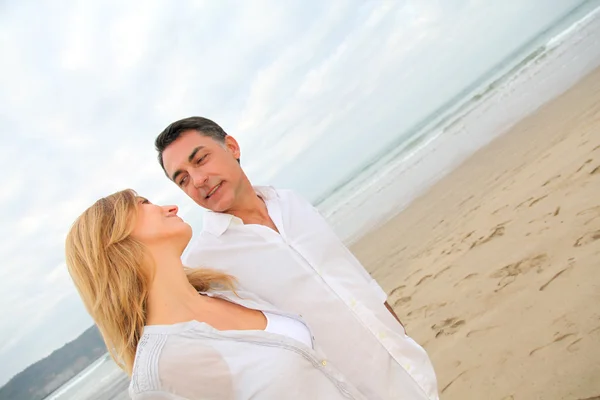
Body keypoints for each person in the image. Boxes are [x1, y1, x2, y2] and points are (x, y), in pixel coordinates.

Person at [155, 116, 440, 399]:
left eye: (201, 160)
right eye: (183, 179)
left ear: (232, 147)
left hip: (411, 369)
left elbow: (349, 272)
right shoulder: (203, 265)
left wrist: (398, 331)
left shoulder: (290, 201)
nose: (198, 180)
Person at [65, 189, 397, 399]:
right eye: (144, 204)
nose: (170, 207)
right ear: (115, 238)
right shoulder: (161, 373)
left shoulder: (225, 291)